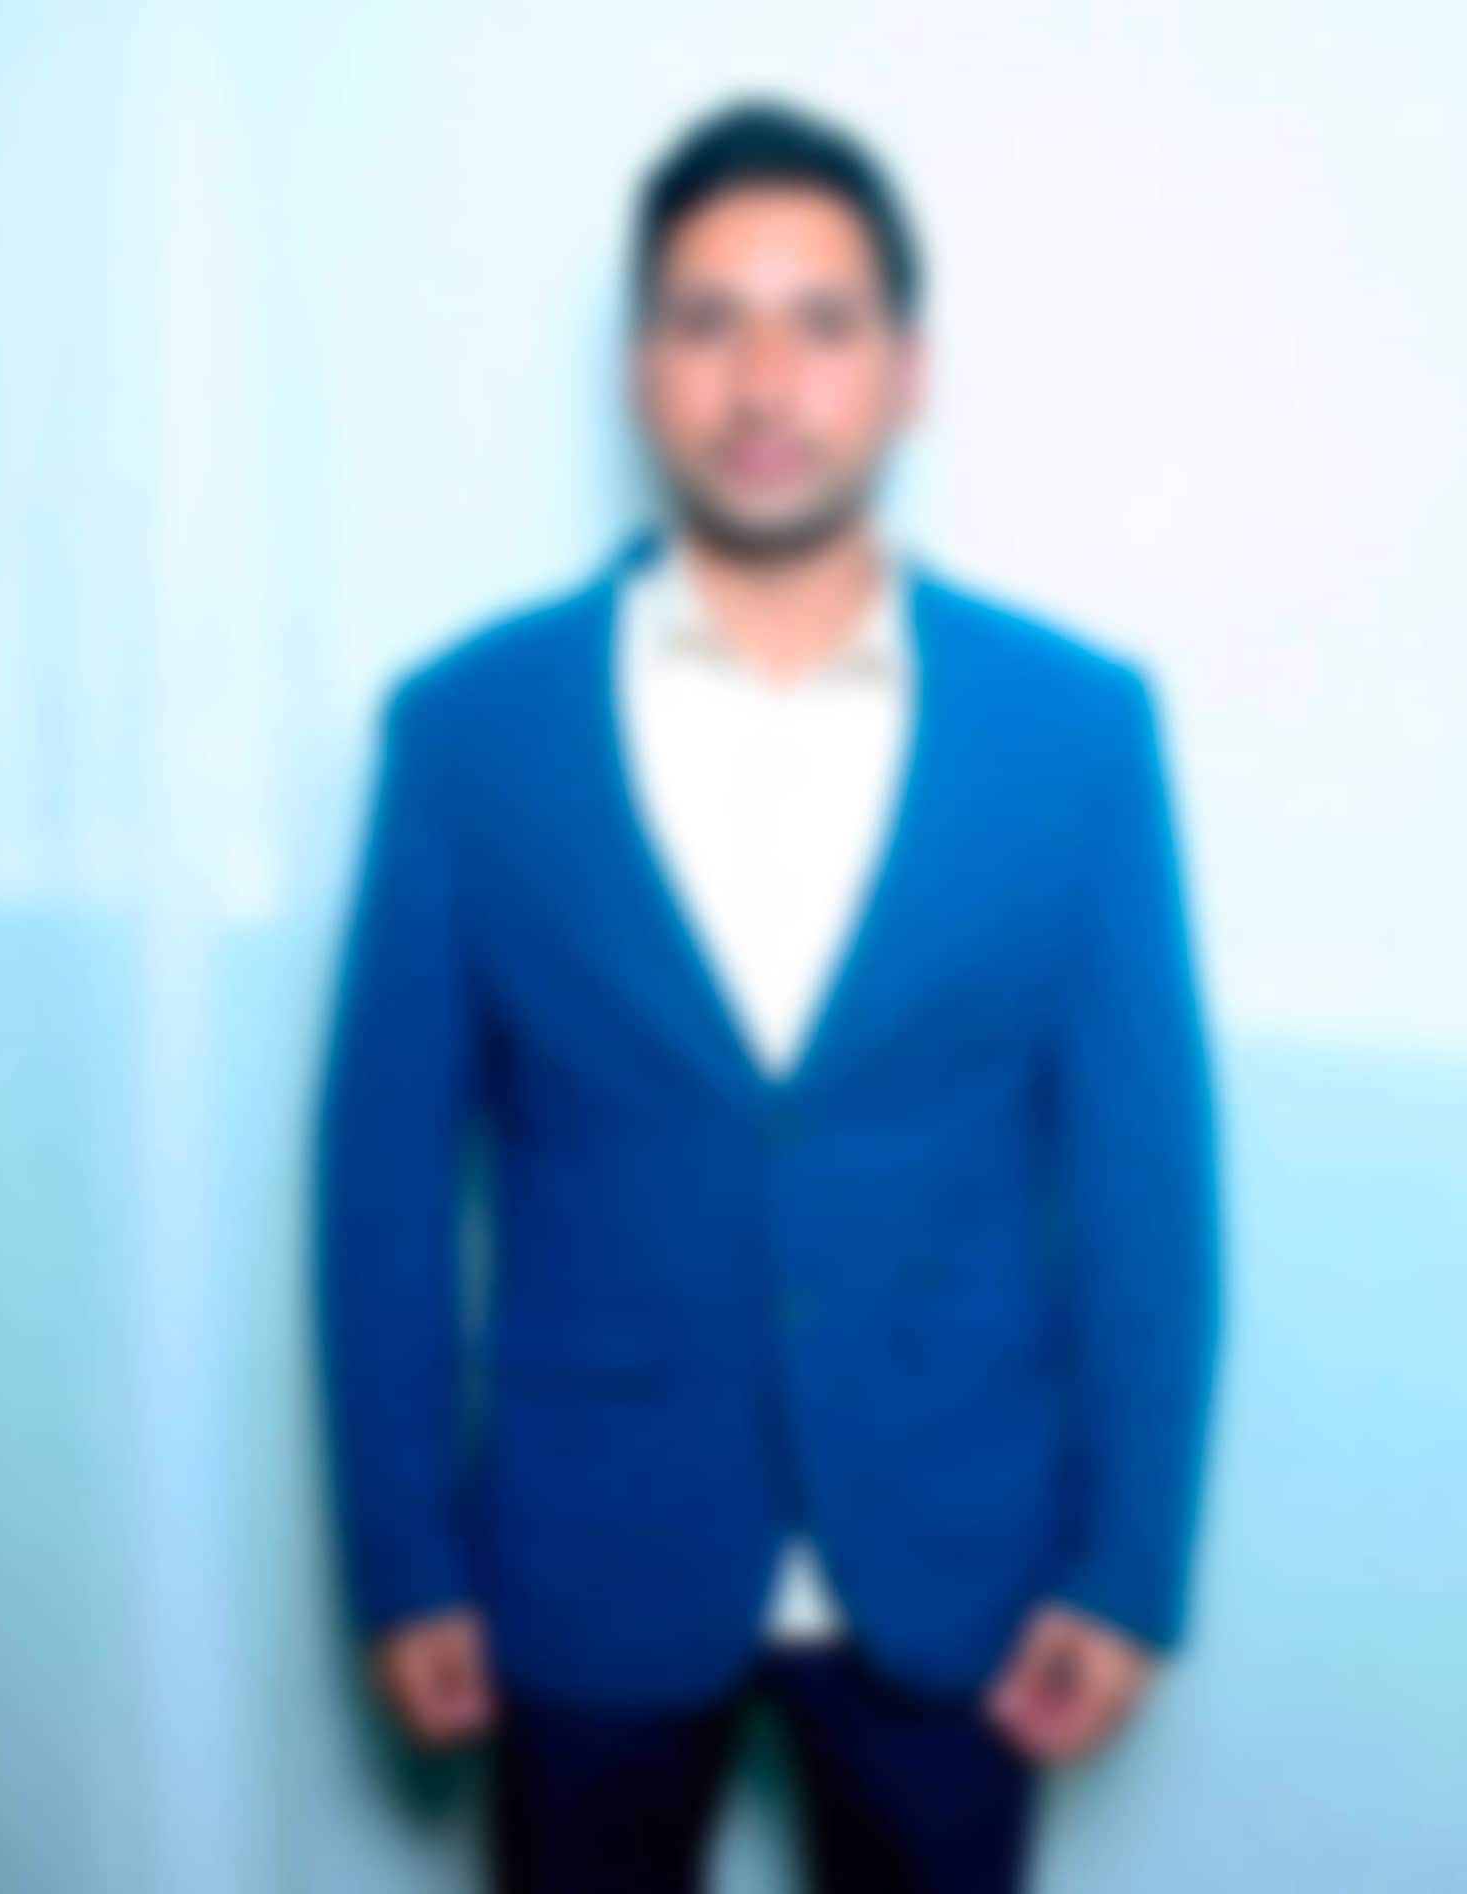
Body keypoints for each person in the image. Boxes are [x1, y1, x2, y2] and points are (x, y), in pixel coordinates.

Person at [314, 92, 1224, 1894]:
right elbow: (382, 1182)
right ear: (638, 368)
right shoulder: (471, 730)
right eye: (706, 320)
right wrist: (401, 1551)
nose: (763, 379)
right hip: (578, 1555)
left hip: (961, 1560)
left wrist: (1132, 1560)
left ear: (908, 371)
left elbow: (1147, 1180)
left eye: (821, 323)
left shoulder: (1076, 730)